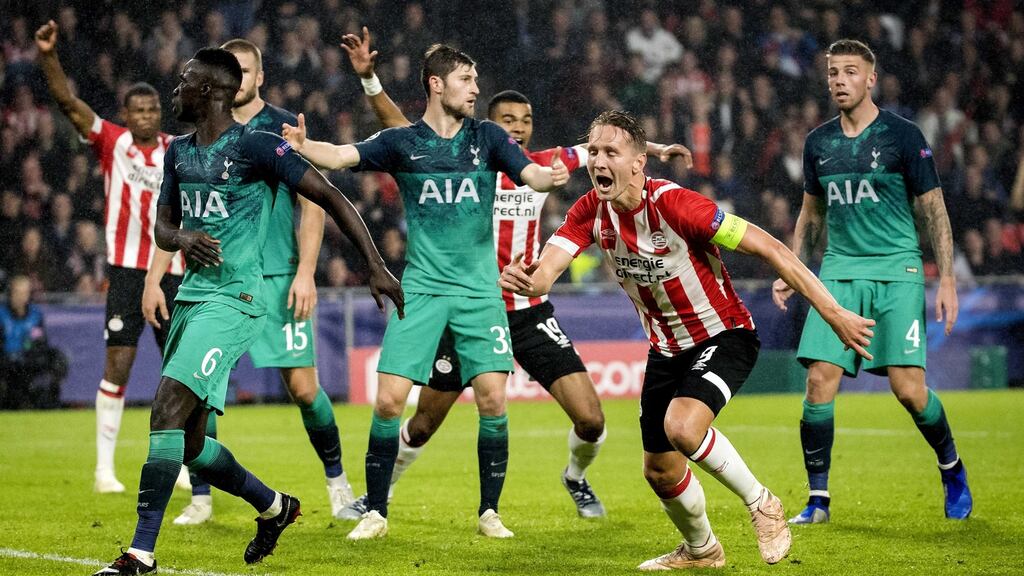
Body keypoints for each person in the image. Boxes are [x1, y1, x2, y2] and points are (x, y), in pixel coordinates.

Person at [335, 27, 693, 521]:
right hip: (468, 303)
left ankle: (576, 477)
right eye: (508, 121)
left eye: (525, 121)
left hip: (527, 312)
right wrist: (371, 81)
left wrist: (655, 148)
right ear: (489, 122)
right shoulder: (463, 154)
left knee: (591, 419)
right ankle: (380, 496)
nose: (518, 129)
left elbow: (600, 148)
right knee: (421, 425)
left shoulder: (538, 165)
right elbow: (400, 129)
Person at [499, 110, 875, 569]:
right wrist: (526, 279)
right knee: (659, 470)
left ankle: (762, 504)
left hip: (724, 334)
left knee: (682, 428)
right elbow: (545, 276)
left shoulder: (676, 204)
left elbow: (772, 248)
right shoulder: (590, 210)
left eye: (611, 152)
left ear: (638, 162)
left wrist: (833, 313)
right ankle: (702, 550)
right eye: (593, 151)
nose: (598, 161)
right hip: (666, 349)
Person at [90, 47, 403, 575]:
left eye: (185, 81)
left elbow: (329, 196)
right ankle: (275, 507)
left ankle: (140, 554)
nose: (175, 90)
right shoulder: (179, 152)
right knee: (190, 444)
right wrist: (183, 237)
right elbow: (162, 227)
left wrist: (375, 265)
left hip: (236, 300)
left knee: (166, 408)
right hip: (192, 298)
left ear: (211, 91)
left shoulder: (256, 145)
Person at [282, 43, 569, 540]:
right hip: (422, 291)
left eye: (475, 80)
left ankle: (489, 513)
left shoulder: (488, 137)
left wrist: (551, 176)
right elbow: (342, 155)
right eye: (465, 80)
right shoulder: (402, 142)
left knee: (493, 401)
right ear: (437, 84)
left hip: (480, 293)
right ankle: (375, 513)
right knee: (388, 402)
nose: (475, 89)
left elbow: (531, 173)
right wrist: (304, 146)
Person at [143, 38, 355, 526]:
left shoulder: (278, 128)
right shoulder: (191, 142)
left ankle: (337, 482)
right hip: (212, 282)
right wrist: (155, 278)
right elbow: (181, 215)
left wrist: (306, 271)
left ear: (257, 77)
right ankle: (201, 497)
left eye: (245, 68)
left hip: (276, 276)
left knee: (304, 390)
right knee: (197, 392)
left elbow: (314, 201)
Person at [772, 39, 972, 524]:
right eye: (833, 73)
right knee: (819, 381)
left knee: (908, 390)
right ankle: (818, 500)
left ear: (870, 79)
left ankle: (951, 468)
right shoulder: (818, 143)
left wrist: (946, 279)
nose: (839, 80)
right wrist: (792, 269)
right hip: (839, 271)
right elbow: (811, 214)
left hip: (897, 271)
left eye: (850, 72)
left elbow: (933, 210)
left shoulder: (903, 136)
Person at [35, 19, 186, 494]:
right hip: (126, 271)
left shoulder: (178, 151)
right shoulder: (112, 142)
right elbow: (67, 102)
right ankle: (104, 469)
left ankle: (183, 465)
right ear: (125, 114)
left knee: (180, 373)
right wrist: (48, 56)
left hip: (173, 272)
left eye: (153, 109)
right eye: (138, 110)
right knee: (118, 365)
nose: (146, 116)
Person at [0, 275, 68, 409]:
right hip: (6, 361)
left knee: (57, 359)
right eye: (18, 292)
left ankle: (50, 402)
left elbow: (40, 340)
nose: (21, 297)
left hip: (28, 359)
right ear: (10, 293)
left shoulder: (35, 315)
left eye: (24, 293)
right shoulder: (2, 315)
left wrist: (32, 349)